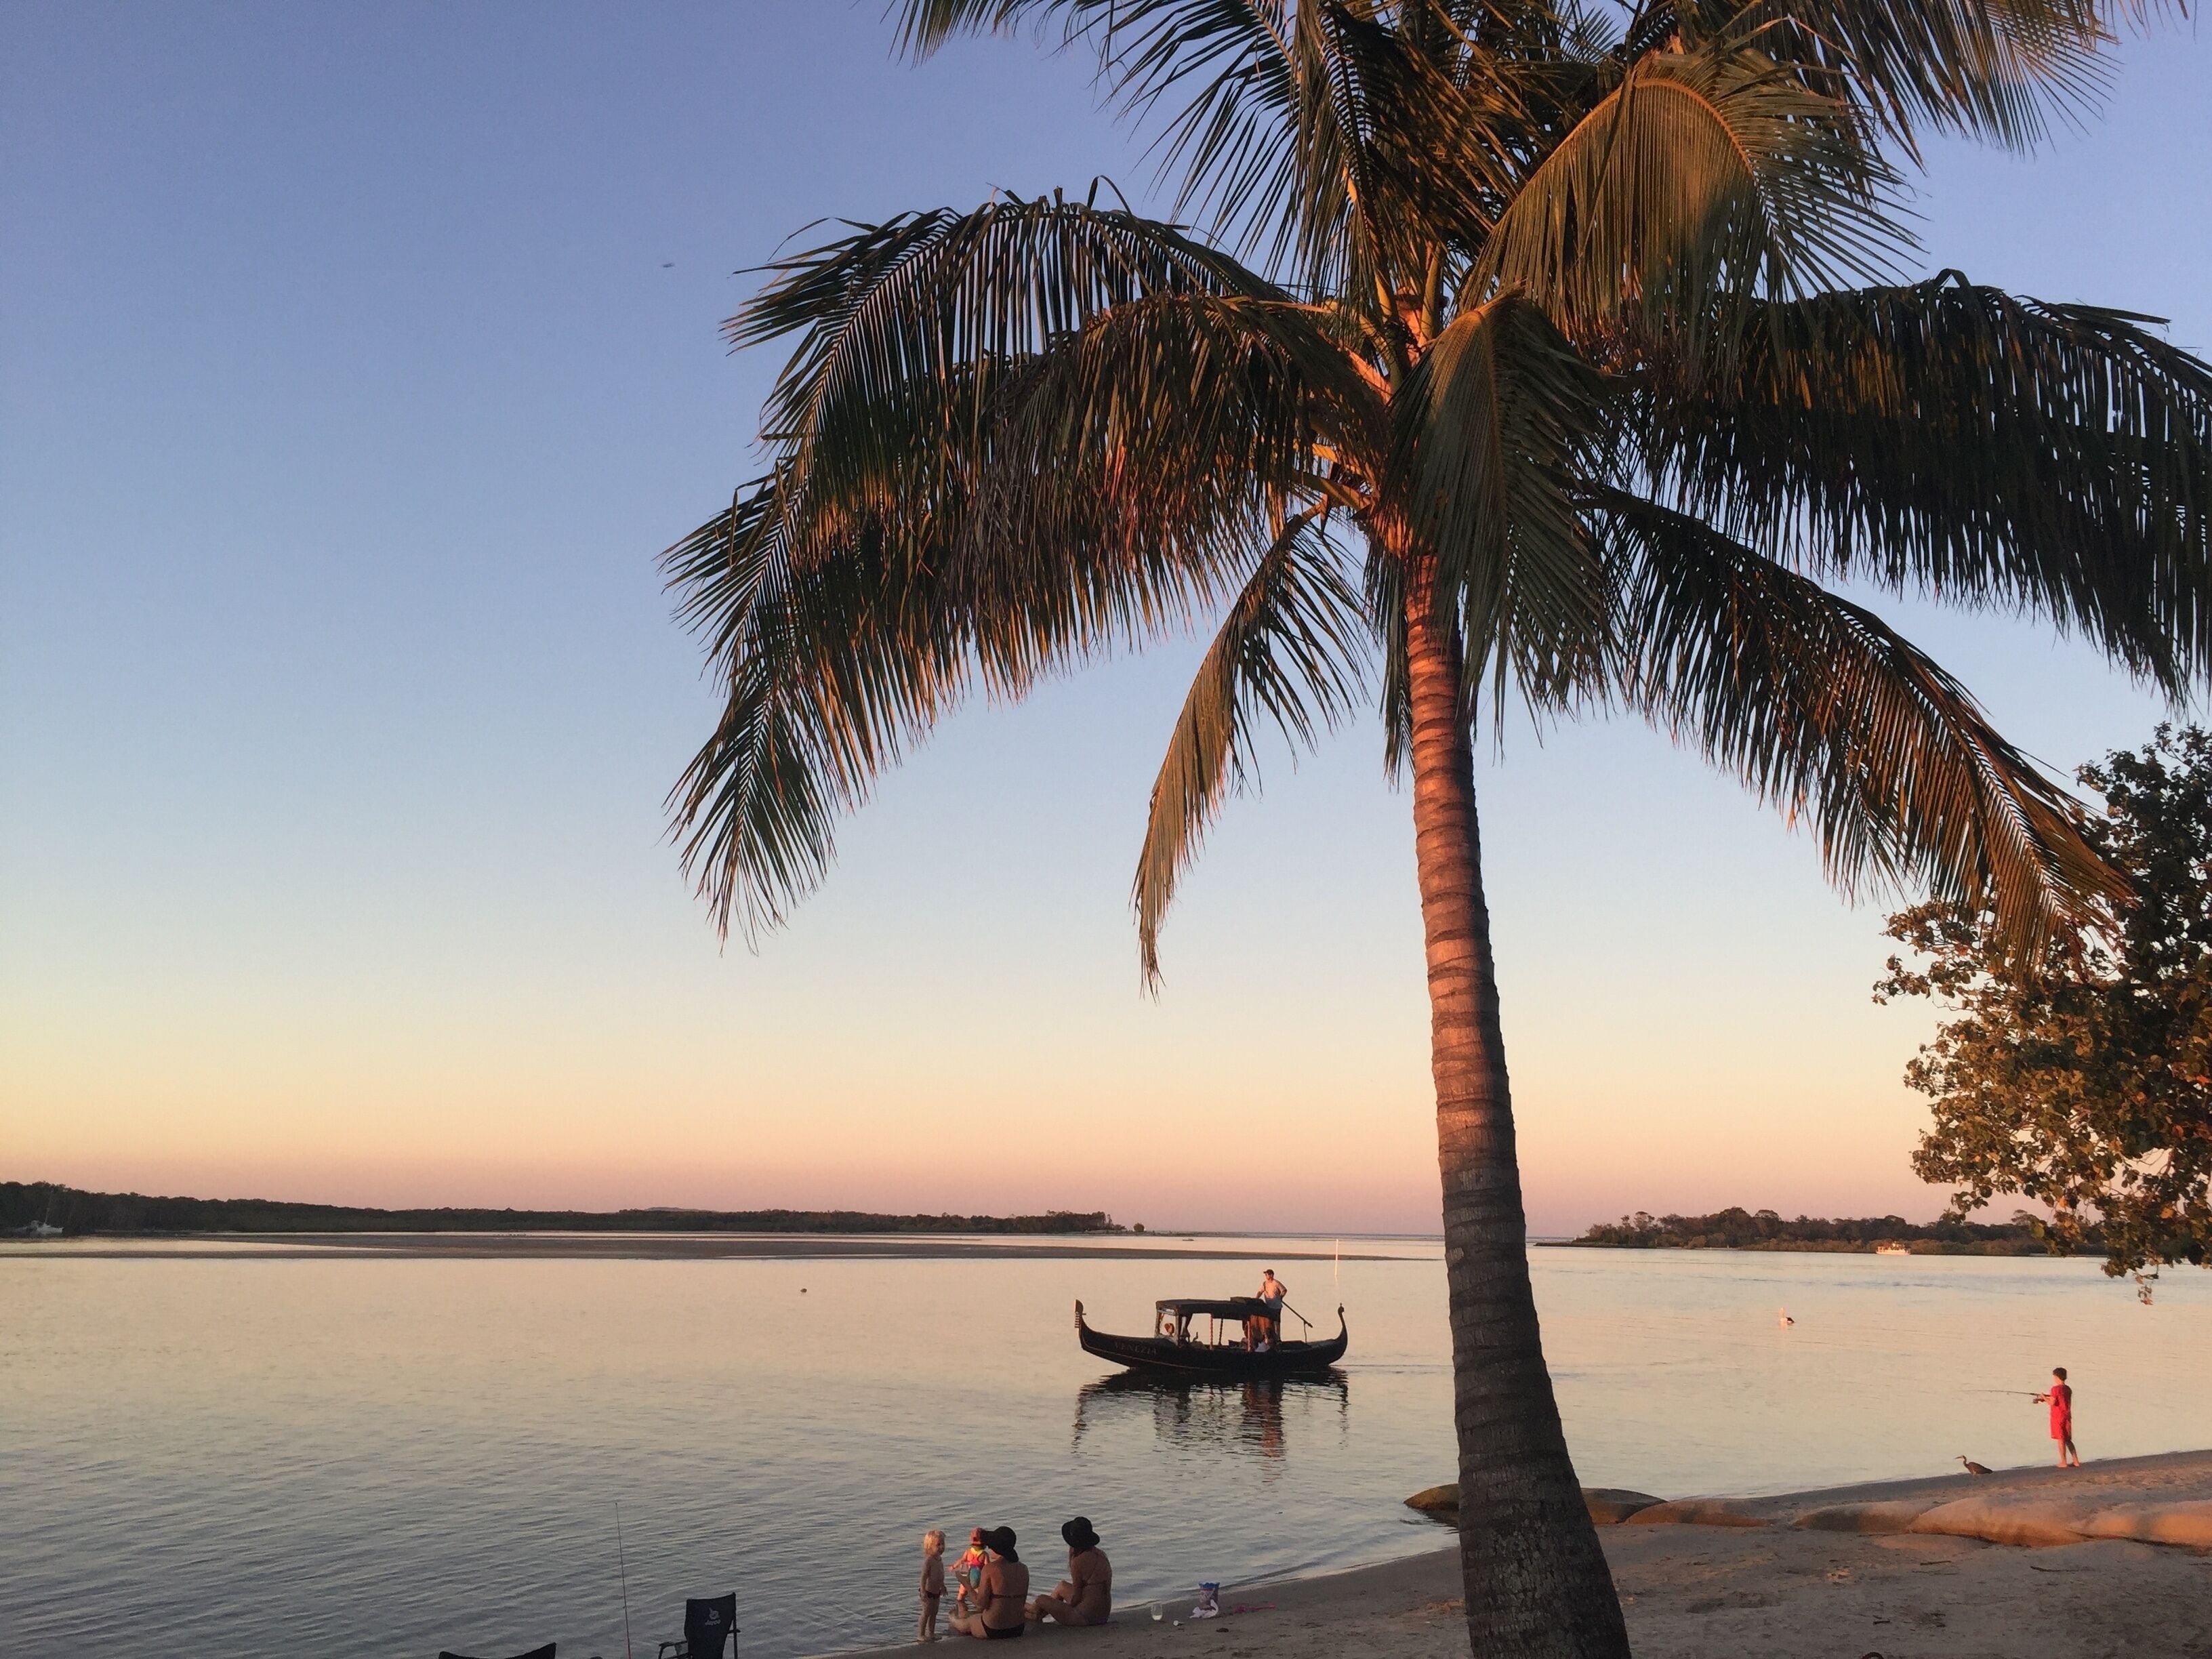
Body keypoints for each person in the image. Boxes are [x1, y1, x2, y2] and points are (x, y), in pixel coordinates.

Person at [1029, 1517, 1112, 1627]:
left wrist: (1061, 1607)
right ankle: (1034, 1612)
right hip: (1103, 1614)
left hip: (1085, 1617)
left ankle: (1032, 1611)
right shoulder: (1101, 1554)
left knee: (1041, 1599)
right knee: (1062, 1586)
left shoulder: (1078, 1561)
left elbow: (1076, 1599)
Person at [949, 1526, 1029, 1641]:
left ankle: (952, 1619)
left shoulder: (991, 1569)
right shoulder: (1023, 1568)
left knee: (969, 1622)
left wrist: (966, 1583)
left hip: (993, 1628)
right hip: (1018, 1628)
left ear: (996, 1549)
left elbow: (980, 1604)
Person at [2034, 1368, 2080, 1468]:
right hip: (2067, 1415)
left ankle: (2064, 1462)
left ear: (2056, 1377)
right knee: (2068, 1439)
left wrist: (2043, 1397)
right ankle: (2076, 1461)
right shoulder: (2068, 1389)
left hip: (2058, 1416)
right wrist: (2045, 1399)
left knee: (2060, 1439)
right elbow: (2060, 1400)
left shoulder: (2055, 1389)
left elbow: (2052, 1402)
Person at [949, 1528, 988, 1616]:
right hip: (978, 1579)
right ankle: (979, 1611)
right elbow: (988, 1566)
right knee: (980, 1595)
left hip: (967, 1576)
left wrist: (954, 1566)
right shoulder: (984, 1555)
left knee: (961, 1594)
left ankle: (961, 1609)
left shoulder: (968, 1552)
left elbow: (962, 1560)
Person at [1246, 1269, 1288, 1351]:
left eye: (1268, 1275)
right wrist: (1256, 1299)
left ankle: (1278, 1338)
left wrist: (1280, 1297)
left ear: (1271, 1275)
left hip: (1276, 1306)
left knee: (1277, 1322)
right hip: (1268, 1306)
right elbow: (1260, 1292)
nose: (1266, 1276)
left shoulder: (1276, 1283)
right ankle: (1270, 1338)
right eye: (1266, 1275)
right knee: (1269, 1323)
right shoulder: (1264, 1284)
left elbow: (1284, 1290)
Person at [918, 1529, 947, 1643]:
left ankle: (931, 1633)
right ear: (930, 1546)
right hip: (928, 1591)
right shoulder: (929, 1561)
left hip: (937, 1591)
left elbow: (940, 1576)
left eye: (943, 1544)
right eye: (938, 1545)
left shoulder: (939, 1560)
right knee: (926, 1613)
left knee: (934, 1613)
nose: (941, 1547)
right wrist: (923, 1590)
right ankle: (921, 1634)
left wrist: (943, 1586)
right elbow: (924, 1576)